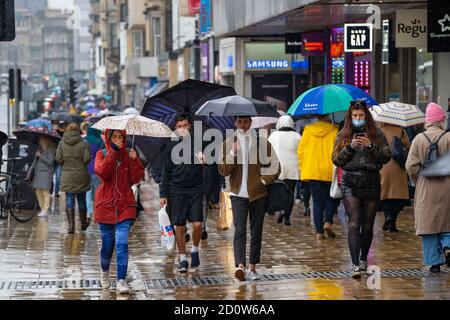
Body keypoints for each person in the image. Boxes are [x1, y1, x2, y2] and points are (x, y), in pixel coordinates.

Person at [332, 100, 391, 279]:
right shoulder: (344, 134)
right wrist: (350, 148)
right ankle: (356, 265)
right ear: (350, 117)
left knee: (367, 226)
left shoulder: (377, 134)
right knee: (354, 223)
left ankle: (364, 259)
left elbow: (386, 157)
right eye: (355, 116)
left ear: (366, 116)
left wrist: (370, 146)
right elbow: (336, 159)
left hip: (371, 181)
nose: (358, 118)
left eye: (361, 115)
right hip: (350, 182)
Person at [218, 116, 280, 281]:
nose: (243, 125)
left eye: (246, 122)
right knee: (239, 230)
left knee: (256, 230)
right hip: (237, 194)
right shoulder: (228, 143)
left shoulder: (262, 143)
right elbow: (223, 170)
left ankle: (253, 267)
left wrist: (263, 180)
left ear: (251, 123)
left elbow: (276, 165)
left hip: (258, 194)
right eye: (240, 122)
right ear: (235, 123)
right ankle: (240, 266)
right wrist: (233, 152)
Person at [94, 129, 144, 294]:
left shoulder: (128, 155)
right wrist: (113, 153)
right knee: (108, 245)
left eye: (120, 136)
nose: (118, 139)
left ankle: (121, 280)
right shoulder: (101, 154)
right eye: (114, 137)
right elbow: (102, 173)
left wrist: (135, 161)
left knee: (122, 243)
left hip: (125, 205)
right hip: (105, 205)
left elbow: (136, 179)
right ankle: (104, 271)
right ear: (109, 138)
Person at [405, 102, 450, 274]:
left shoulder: (419, 139)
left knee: (428, 225)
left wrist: (417, 178)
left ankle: (434, 263)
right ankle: (447, 246)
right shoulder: (448, 137)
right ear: (441, 121)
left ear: (427, 121)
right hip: (447, 186)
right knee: (447, 221)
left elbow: (411, 166)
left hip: (426, 187)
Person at [159, 114, 204, 273]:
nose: (183, 129)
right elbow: (166, 170)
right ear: (175, 128)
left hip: (196, 189)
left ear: (190, 125)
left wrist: (203, 161)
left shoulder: (198, 142)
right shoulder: (171, 145)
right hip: (176, 190)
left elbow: (210, 167)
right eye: (179, 126)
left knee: (197, 224)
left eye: (185, 125)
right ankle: (183, 258)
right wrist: (163, 194)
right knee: (179, 226)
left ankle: (195, 249)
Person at [298, 114, 339, 240]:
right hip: (329, 169)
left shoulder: (308, 129)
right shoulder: (334, 129)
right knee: (332, 198)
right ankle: (328, 221)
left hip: (313, 170)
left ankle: (319, 232)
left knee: (317, 201)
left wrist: (302, 167)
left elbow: (301, 150)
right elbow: (338, 149)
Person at [55, 123, 91, 233]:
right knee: (81, 199)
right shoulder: (84, 143)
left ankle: (71, 225)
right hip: (81, 175)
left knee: (69, 198)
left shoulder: (62, 143)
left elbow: (58, 159)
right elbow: (86, 160)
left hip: (68, 175)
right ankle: (83, 223)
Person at [268, 115, 301, 225]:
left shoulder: (273, 135)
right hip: (293, 169)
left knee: (278, 192)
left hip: (277, 169)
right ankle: (287, 216)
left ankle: (281, 209)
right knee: (290, 193)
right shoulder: (297, 136)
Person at [379, 123, 411, 233]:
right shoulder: (401, 131)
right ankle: (392, 222)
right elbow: (409, 147)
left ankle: (387, 216)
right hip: (398, 167)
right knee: (397, 197)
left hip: (383, 166)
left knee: (385, 195)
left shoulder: (379, 130)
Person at [84, 126, 105, 226]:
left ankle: (89, 213)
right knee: (97, 192)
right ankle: (97, 213)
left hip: (85, 170)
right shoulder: (100, 142)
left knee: (88, 192)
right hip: (96, 169)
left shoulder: (83, 140)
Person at [32, 136, 56, 218]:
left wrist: (41, 156)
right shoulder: (40, 148)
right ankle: (42, 208)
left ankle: (45, 210)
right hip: (38, 172)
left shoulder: (51, 149)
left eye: (41, 139)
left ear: (45, 140)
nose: (39, 141)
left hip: (46, 172)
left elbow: (50, 161)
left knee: (45, 191)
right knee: (38, 191)